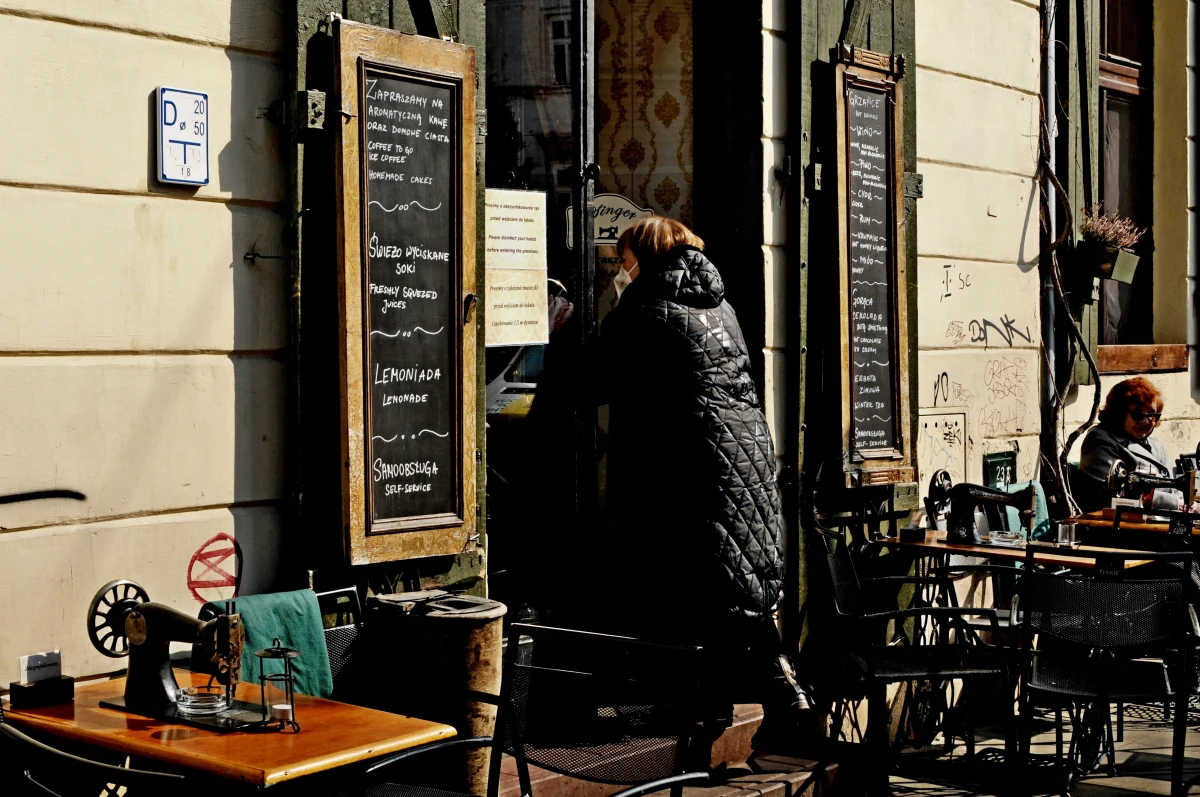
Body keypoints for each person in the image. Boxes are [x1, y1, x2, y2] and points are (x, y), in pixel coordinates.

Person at [591, 215, 806, 761]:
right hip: (745, 468)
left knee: (696, 596)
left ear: (642, 256)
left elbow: (592, 376)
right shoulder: (720, 307)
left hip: (697, 473)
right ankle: (763, 701)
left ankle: (716, 717)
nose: (620, 269)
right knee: (730, 597)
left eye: (623, 259)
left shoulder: (645, 309)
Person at [1078, 377, 1178, 511]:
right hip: (1116, 523)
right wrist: (1176, 504)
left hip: (1158, 518)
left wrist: (1185, 503)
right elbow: (1119, 494)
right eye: (1138, 415)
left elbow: (1174, 488)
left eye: (1152, 414)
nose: (1146, 421)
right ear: (1119, 414)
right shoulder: (1099, 440)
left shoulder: (1153, 442)